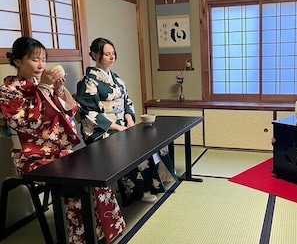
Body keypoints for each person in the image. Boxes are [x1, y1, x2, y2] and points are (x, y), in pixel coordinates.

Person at [0, 37, 126, 243]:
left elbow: (72, 111)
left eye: (43, 59)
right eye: (34, 59)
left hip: (59, 152)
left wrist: (58, 88)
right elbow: (27, 123)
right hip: (32, 157)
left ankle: (105, 230)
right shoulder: (9, 91)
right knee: (76, 182)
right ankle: (82, 237)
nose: (41, 65)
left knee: (95, 172)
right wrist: (43, 88)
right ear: (17, 61)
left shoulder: (42, 85)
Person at [76, 37, 176, 204]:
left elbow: (127, 101)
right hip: (102, 130)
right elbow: (90, 113)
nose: (111, 57)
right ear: (94, 54)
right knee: (131, 148)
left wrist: (129, 120)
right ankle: (141, 191)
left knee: (153, 141)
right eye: (106, 54)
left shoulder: (117, 79)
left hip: (122, 125)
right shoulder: (88, 82)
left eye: (113, 53)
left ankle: (159, 180)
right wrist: (117, 128)